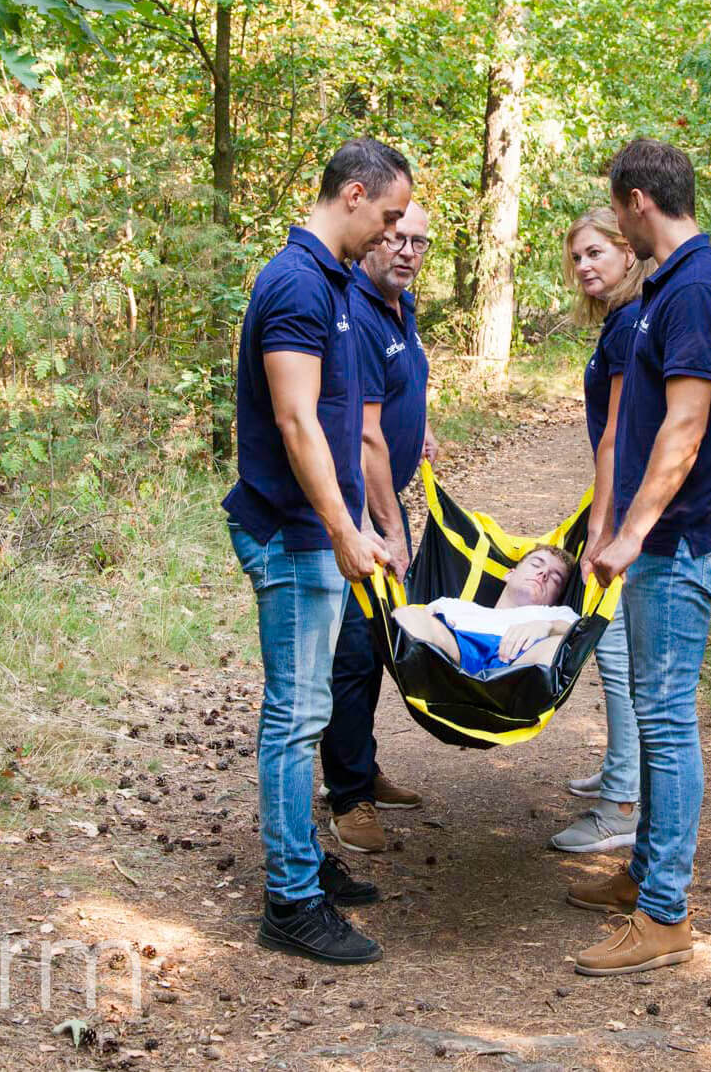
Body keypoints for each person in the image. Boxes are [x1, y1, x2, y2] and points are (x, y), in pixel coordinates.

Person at [223, 137, 412, 966]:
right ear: (355, 194)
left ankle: (304, 859)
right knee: (295, 719)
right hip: (293, 534)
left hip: (321, 531)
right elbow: (298, 422)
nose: (394, 232)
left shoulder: (332, 280)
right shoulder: (297, 283)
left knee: (308, 711)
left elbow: (338, 425)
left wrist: (365, 524)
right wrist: (343, 532)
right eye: (391, 215)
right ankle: (289, 900)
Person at [569, 138, 711, 977]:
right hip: (660, 537)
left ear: (640, 201)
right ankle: (644, 872)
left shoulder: (699, 290)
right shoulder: (674, 288)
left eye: (616, 210)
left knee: (669, 720)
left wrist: (634, 532)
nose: (615, 224)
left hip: (679, 541)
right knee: (652, 709)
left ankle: (666, 913)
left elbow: (684, 428)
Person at [321, 202, 437, 856]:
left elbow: (395, 396)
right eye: (396, 238)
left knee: (382, 642)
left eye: (419, 241)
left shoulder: (402, 307)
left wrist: (419, 429)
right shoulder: (358, 313)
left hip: (384, 498)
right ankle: (347, 797)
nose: (407, 251)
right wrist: (391, 533)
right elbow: (363, 435)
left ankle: (360, 767)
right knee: (356, 652)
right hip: (357, 508)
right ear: (372, 239)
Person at [548, 207, 649, 855]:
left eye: (596, 253)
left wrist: (604, 528)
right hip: (630, 502)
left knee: (616, 657)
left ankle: (621, 808)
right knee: (620, 655)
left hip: (632, 509)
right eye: (577, 258)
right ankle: (621, 773)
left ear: (627, 251)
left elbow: (618, 434)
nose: (585, 266)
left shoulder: (630, 325)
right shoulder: (626, 319)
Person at [395, 546, 578, 675]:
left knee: (557, 646)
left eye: (556, 577)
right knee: (406, 614)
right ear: (510, 573)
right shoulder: (453, 605)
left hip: (517, 667)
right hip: (454, 653)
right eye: (536, 565)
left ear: (557, 597)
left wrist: (548, 627)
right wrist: (433, 620)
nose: (543, 574)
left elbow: (582, 634)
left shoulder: (558, 615)